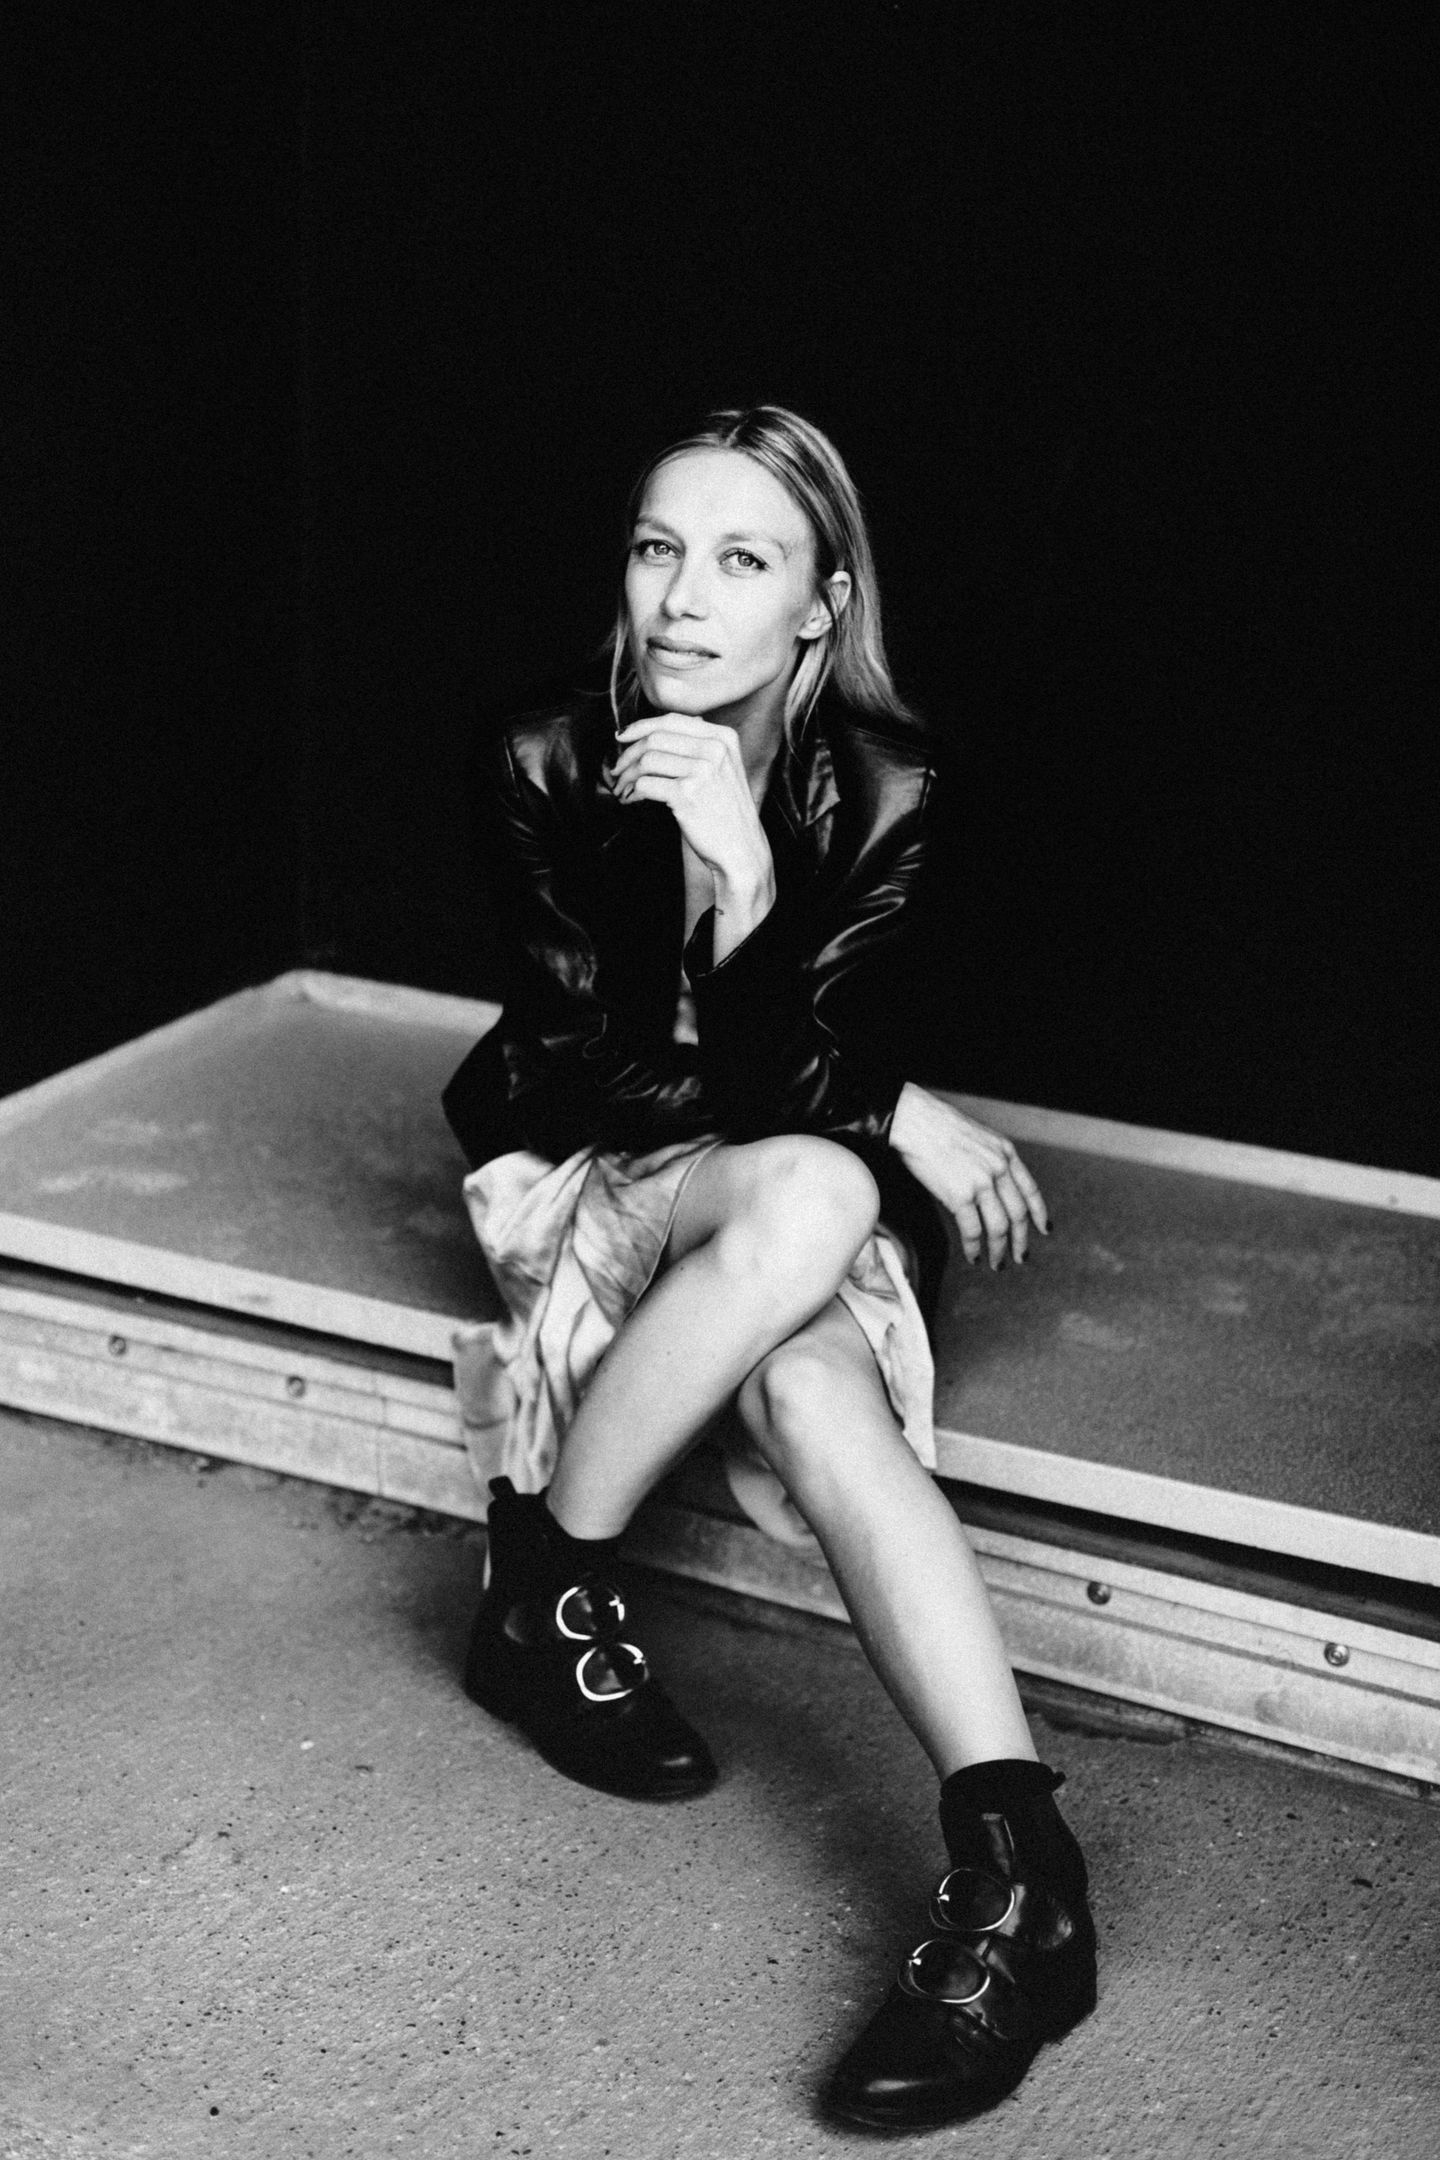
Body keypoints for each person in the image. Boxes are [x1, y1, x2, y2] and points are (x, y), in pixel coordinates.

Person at [442, 405, 1096, 2130]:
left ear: (821, 604)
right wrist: (890, 1105)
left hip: (781, 1195)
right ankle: (551, 1586)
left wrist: (744, 877)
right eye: (659, 548)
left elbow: (803, 1075)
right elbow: (585, 1077)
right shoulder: (545, 754)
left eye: (744, 560)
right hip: (597, 1178)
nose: (683, 598)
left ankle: (1017, 1874)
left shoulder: (888, 785)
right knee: (814, 1183)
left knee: (812, 1374)